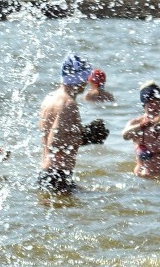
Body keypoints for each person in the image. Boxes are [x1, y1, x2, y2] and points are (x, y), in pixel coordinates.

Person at [38, 54, 109, 193]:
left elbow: (54, 136)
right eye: (86, 77)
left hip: (48, 174)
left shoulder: (50, 98)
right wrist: (87, 136)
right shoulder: (68, 104)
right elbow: (55, 142)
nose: (87, 82)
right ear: (79, 78)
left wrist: (82, 134)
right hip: (57, 176)